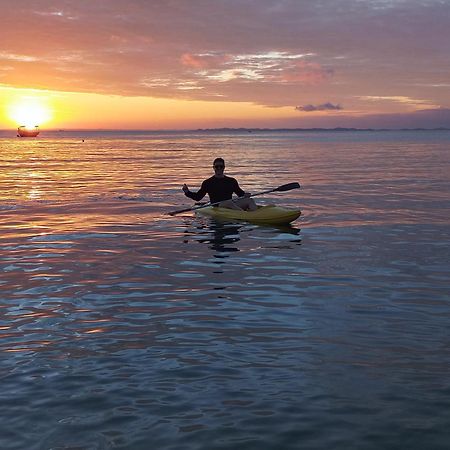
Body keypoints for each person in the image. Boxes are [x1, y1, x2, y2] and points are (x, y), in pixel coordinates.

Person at [182, 158, 258, 211]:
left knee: (250, 200)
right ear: (213, 168)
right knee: (227, 202)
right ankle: (244, 216)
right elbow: (198, 197)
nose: (219, 168)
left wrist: (245, 195)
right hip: (217, 206)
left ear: (224, 167)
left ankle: (255, 214)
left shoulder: (231, 181)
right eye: (216, 166)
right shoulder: (208, 182)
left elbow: (240, 194)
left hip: (231, 205)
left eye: (221, 166)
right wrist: (187, 192)